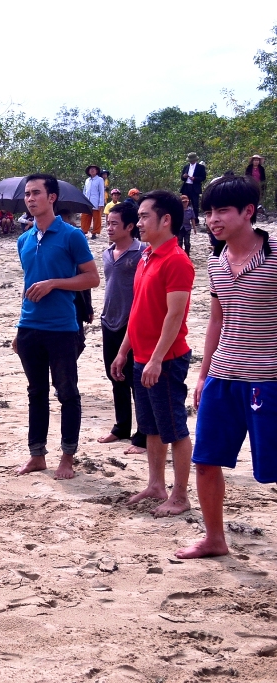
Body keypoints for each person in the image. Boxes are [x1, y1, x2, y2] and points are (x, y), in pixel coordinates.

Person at [175, 177, 276, 558]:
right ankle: (214, 538)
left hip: (268, 379)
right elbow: (218, 319)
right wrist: (203, 374)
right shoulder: (216, 262)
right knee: (206, 461)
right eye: (209, 212)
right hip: (223, 376)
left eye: (222, 211)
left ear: (248, 212)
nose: (213, 220)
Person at [110, 190, 194, 517]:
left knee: (175, 428)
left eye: (145, 217)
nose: (139, 222)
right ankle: (156, 484)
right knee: (151, 427)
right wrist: (123, 352)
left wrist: (158, 358)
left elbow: (175, 316)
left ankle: (181, 495)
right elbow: (139, 310)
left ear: (166, 220)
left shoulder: (177, 260)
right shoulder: (146, 255)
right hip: (141, 356)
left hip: (167, 359)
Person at [13, 174, 100, 479]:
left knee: (67, 393)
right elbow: (28, 283)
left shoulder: (71, 235)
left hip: (63, 327)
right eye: (27, 194)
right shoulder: (23, 239)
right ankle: (37, 455)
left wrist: (54, 284)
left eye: (36, 193)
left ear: (52, 197)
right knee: (35, 393)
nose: (30, 198)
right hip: (29, 326)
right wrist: (19, 330)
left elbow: (92, 278)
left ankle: (67, 457)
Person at [98, 203, 147, 455]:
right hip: (109, 322)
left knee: (136, 380)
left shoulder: (142, 253)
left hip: (133, 325)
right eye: (107, 223)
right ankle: (121, 427)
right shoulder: (107, 253)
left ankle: (144, 435)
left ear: (130, 226)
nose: (109, 227)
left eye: (115, 223)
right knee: (114, 375)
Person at [180, 152, 207, 220]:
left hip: (195, 188)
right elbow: (182, 178)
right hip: (186, 187)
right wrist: (184, 176)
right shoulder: (186, 167)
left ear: (195, 160)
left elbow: (203, 177)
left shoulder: (200, 167)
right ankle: (184, 219)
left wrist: (195, 178)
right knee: (184, 203)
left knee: (195, 204)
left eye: (192, 160)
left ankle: (195, 219)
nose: (191, 161)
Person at [81, 165, 106, 238]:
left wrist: (101, 203)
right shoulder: (87, 180)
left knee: (96, 218)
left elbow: (101, 192)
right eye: (90, 169)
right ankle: (84, 231)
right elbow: (84, 191)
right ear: (88, 171)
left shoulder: (100, 179)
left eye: (93, 169)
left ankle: (94, 233)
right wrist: (83, 201)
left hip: (96, 201)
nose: (92, 170)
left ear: (97, 171)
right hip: (87, 201)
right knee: (85, 217)